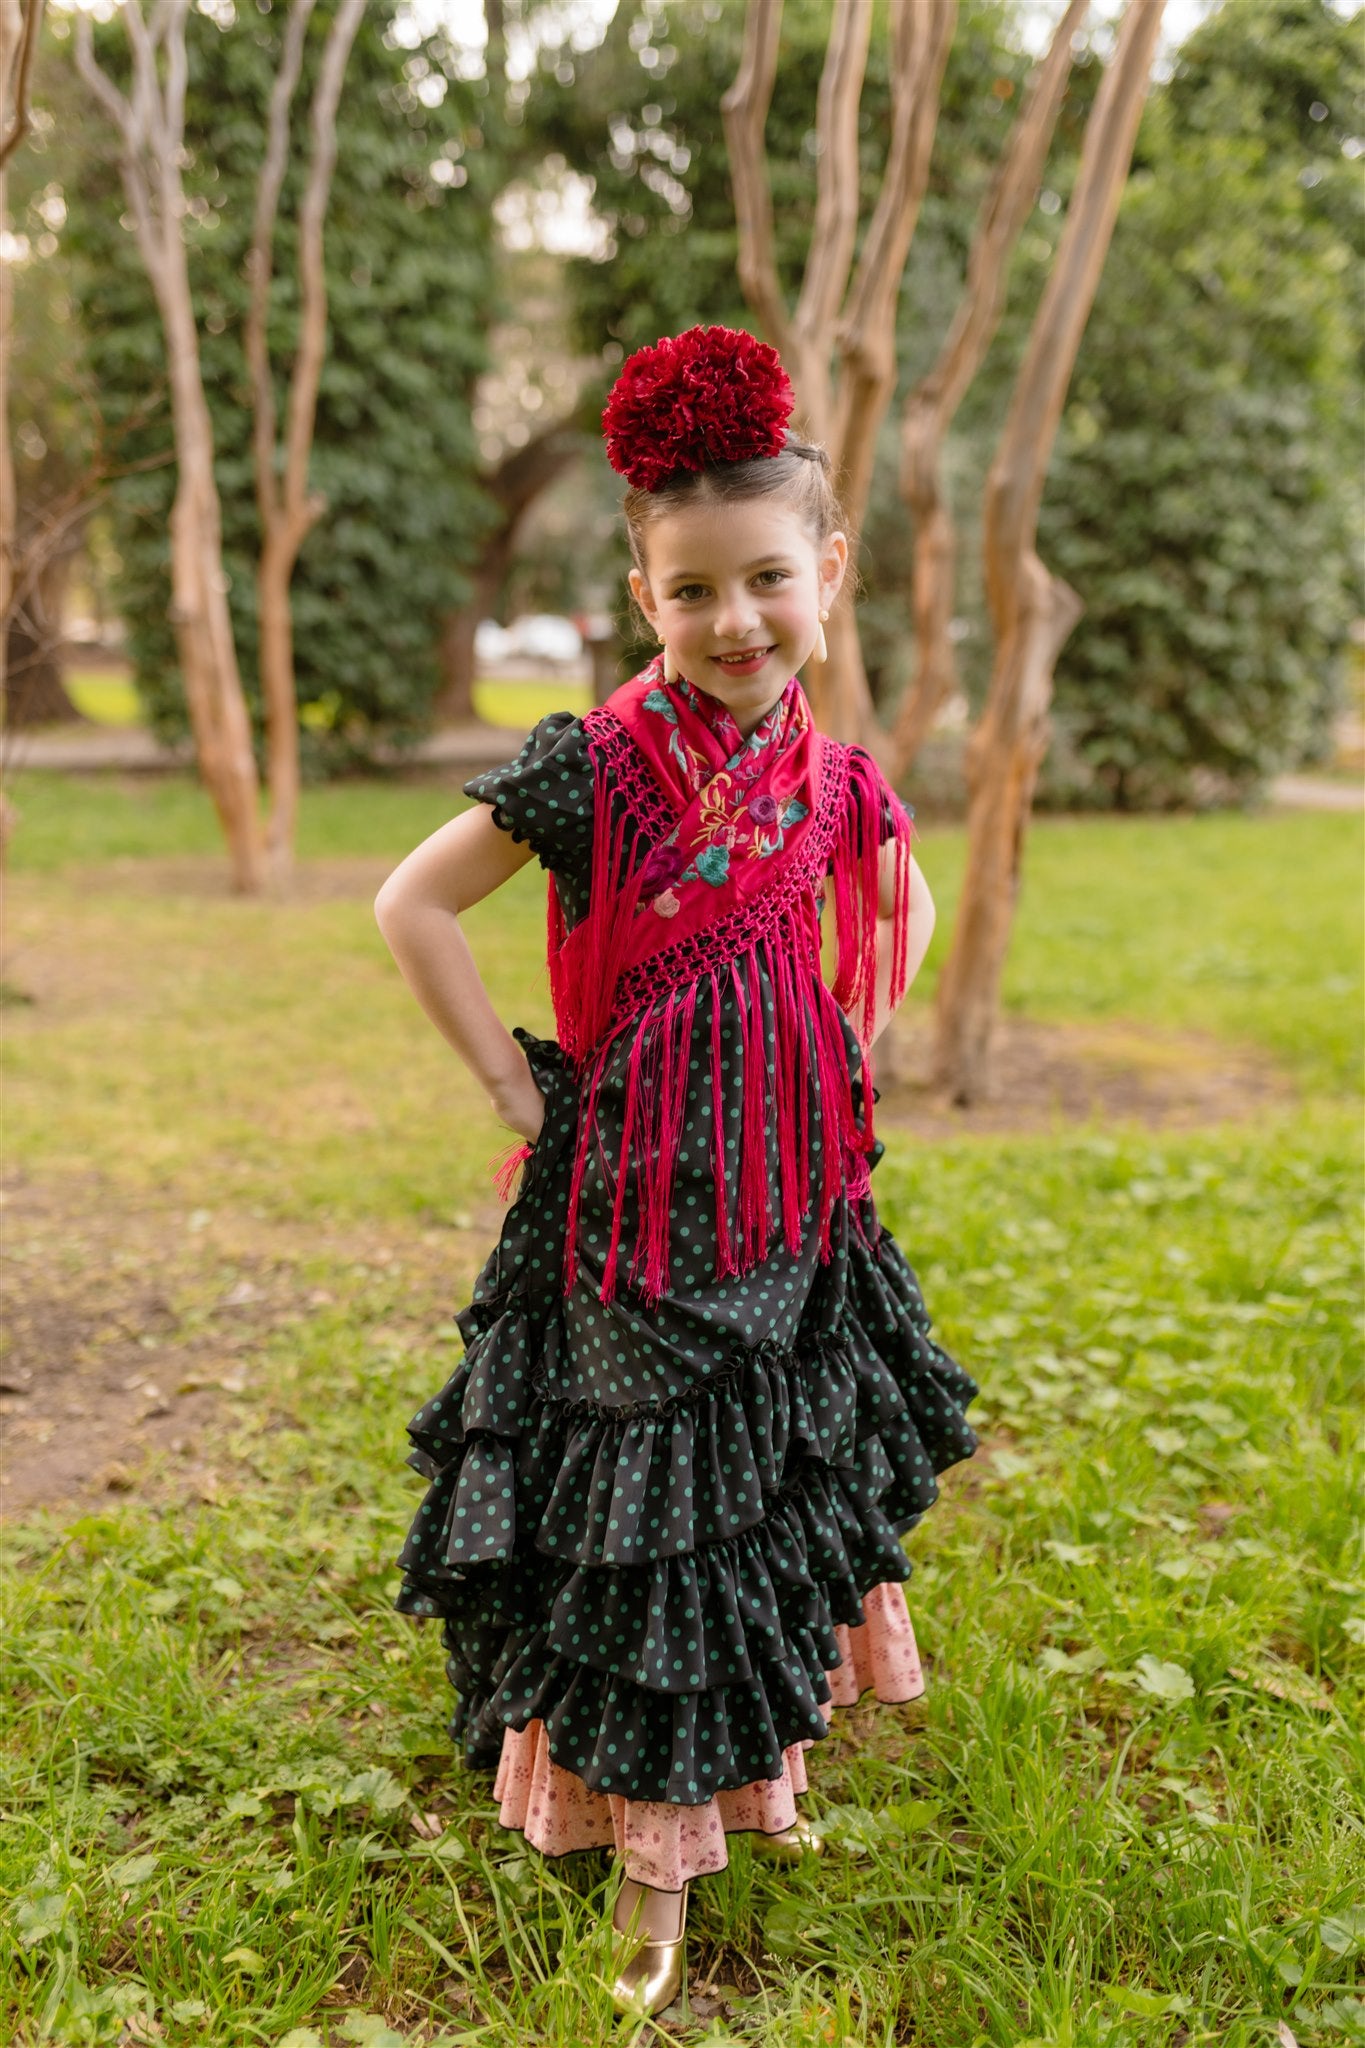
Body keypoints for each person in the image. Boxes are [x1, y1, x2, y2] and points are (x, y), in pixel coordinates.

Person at [374, 324, 979, 2019]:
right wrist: (512, 1078)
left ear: (828, 575)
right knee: (647, 1538)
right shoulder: (596, 767)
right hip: (633, 1223)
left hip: (794, 1208)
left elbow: (898, 905)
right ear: (645, 595)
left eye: (766, 581)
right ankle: (648, 1872)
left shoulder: (837, 782)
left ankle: (746, 1779)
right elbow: (411, 904)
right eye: (692, 590)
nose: (734, 622)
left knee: (760, 1502)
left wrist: (853, 1029)